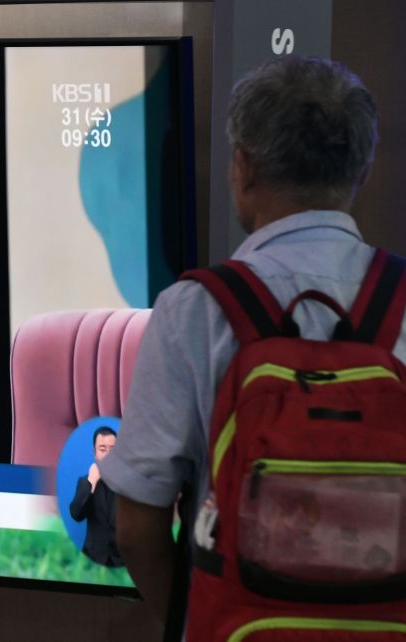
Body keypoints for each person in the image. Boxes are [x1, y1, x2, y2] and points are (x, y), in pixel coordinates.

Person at [97, 56, 403, 624]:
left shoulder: (195, 310)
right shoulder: (402, 303)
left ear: (242, 169)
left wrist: (200, 624)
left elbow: (137, 525)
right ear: (360, 174)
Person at [69, 426, 123, 567]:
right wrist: (92, 481)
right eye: (103, 449)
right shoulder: (85, 482)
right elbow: (76, 514)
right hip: (93, 559)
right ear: (95, 454)